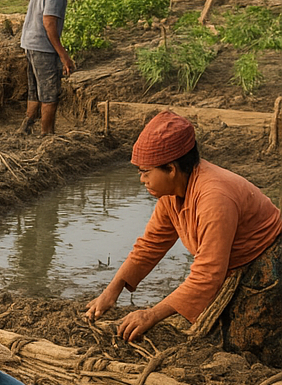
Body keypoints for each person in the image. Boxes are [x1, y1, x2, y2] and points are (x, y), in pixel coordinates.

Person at [86, 110, 282, 361]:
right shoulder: (171, 194)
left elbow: (207, 275)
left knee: (252, 347)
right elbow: (150, 246)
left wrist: (151, 314)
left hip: (265, 260)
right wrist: (111, 291)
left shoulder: (214, 197)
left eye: (146, 171)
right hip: (231, 266)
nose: (141, 179)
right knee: (217, 334)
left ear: (171, 169)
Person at [19, 0, 86, 136]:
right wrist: (63, 55)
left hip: (29, 43)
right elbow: (49, 23)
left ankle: (26, 127)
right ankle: (47, 136)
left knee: (35, 91)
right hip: (43, 46)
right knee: (50, 95)